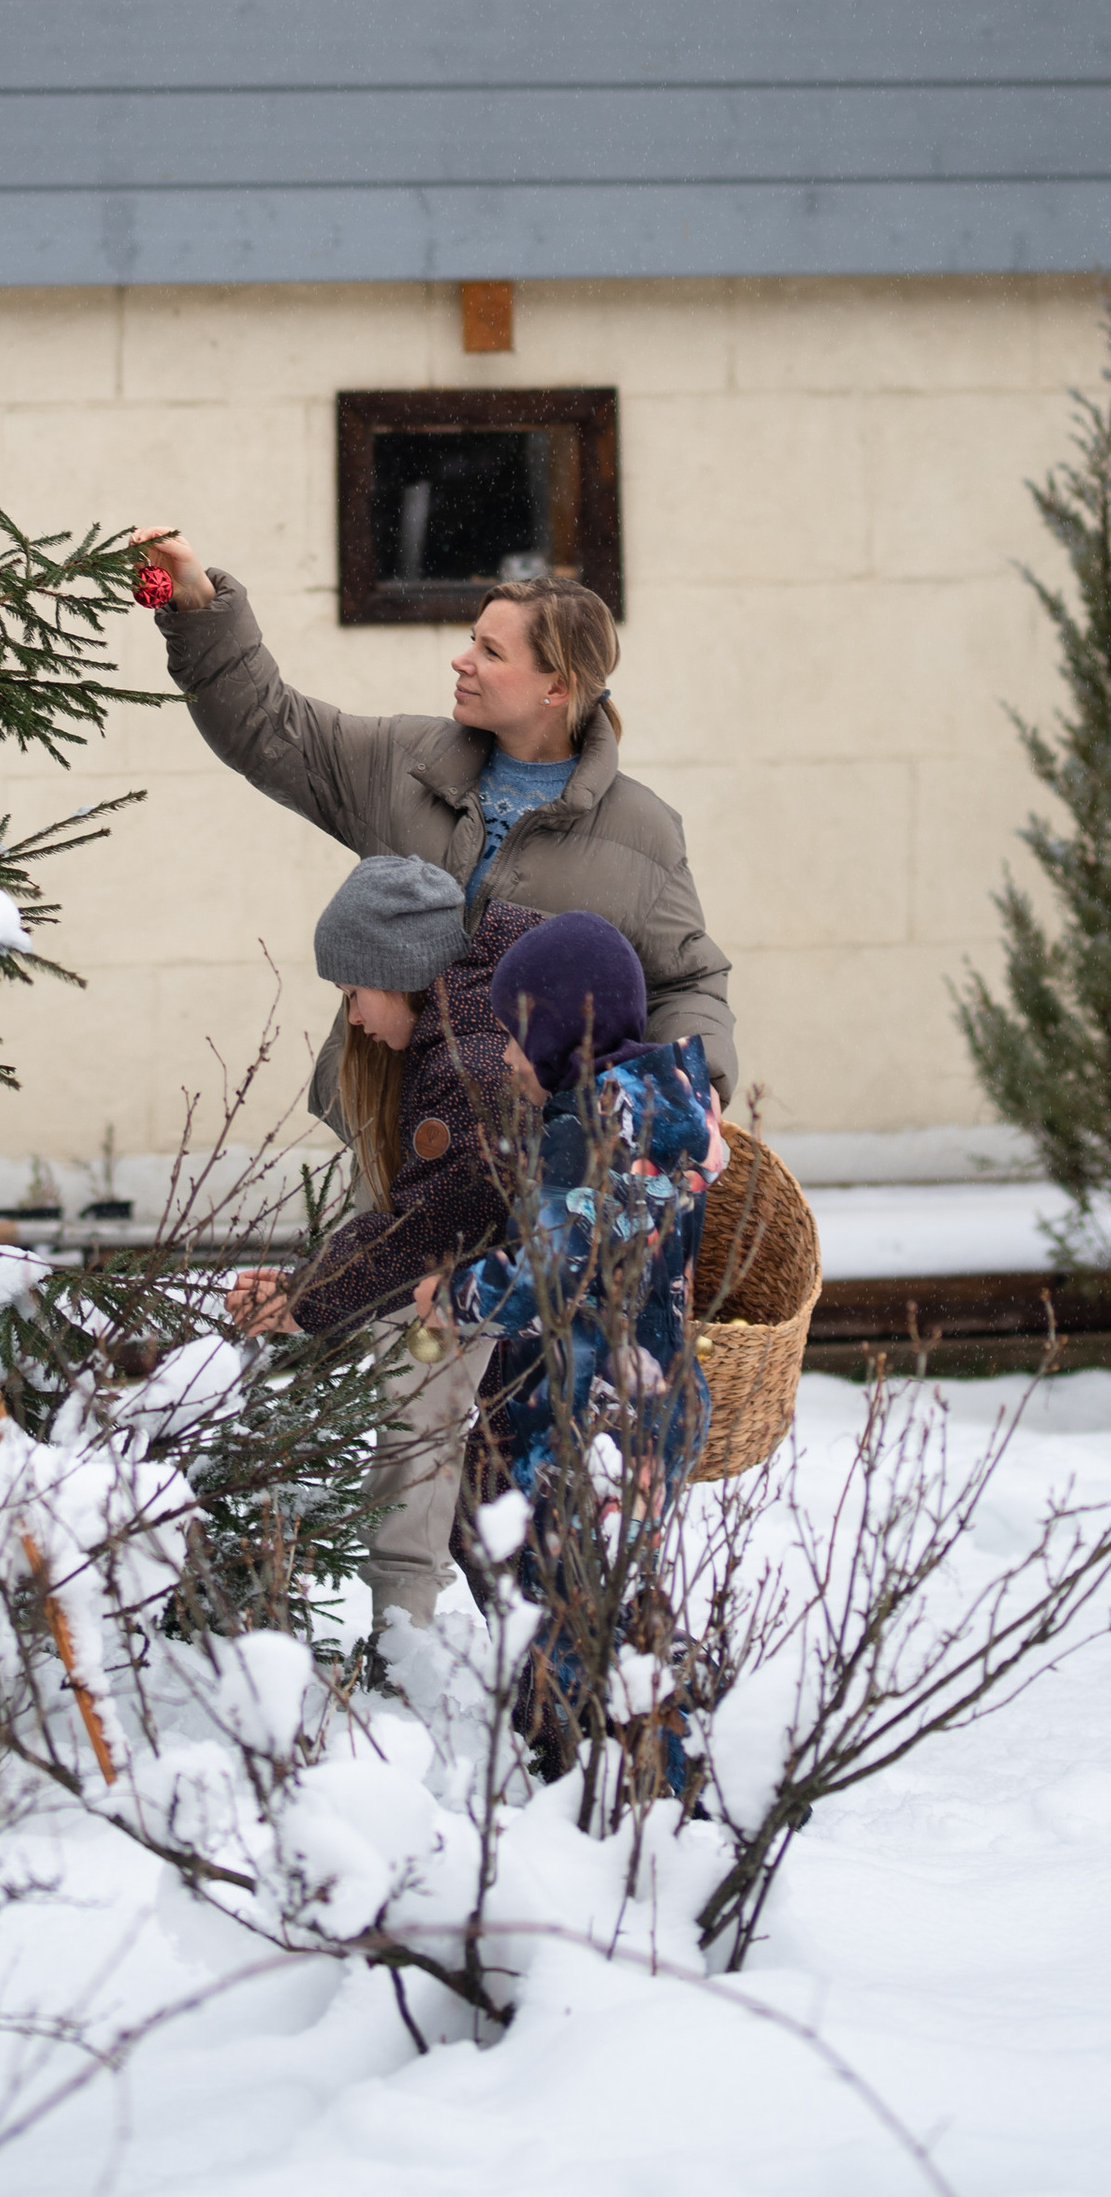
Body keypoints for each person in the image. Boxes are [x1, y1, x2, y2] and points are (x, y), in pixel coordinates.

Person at [130, 534, 737, 1120]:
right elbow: (269, 728)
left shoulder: (643, 830)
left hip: (535, 1155)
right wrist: (199, 604)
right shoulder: (404, 761)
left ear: (556, 686)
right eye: (473, 640)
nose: (461, 659)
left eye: (491, 652)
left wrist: (691, 1087)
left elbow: (686, 984)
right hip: (389, 1130)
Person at [221, 852, 536, 1642]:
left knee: (437, 1438)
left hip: (534, 1292)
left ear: (398, 974)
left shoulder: (468, 1063)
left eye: (353, 994)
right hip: (512, 1280)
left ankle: (415, 1654)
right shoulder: (464, 1024)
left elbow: (428, 1226)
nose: (354, 1019)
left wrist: (303, 1297)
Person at [450, 908, 724, 1776]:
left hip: (586, 1417)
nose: (504, 1058)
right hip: (655, 1401)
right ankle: (633, 1761)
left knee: (570, 1616)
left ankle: (632, 1786)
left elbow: (552, 1272)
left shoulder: (584, 1132)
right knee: (611, 1596)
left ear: (561, 1029)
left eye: (514, 1035)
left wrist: (453, 1295)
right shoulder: (673, 1107)